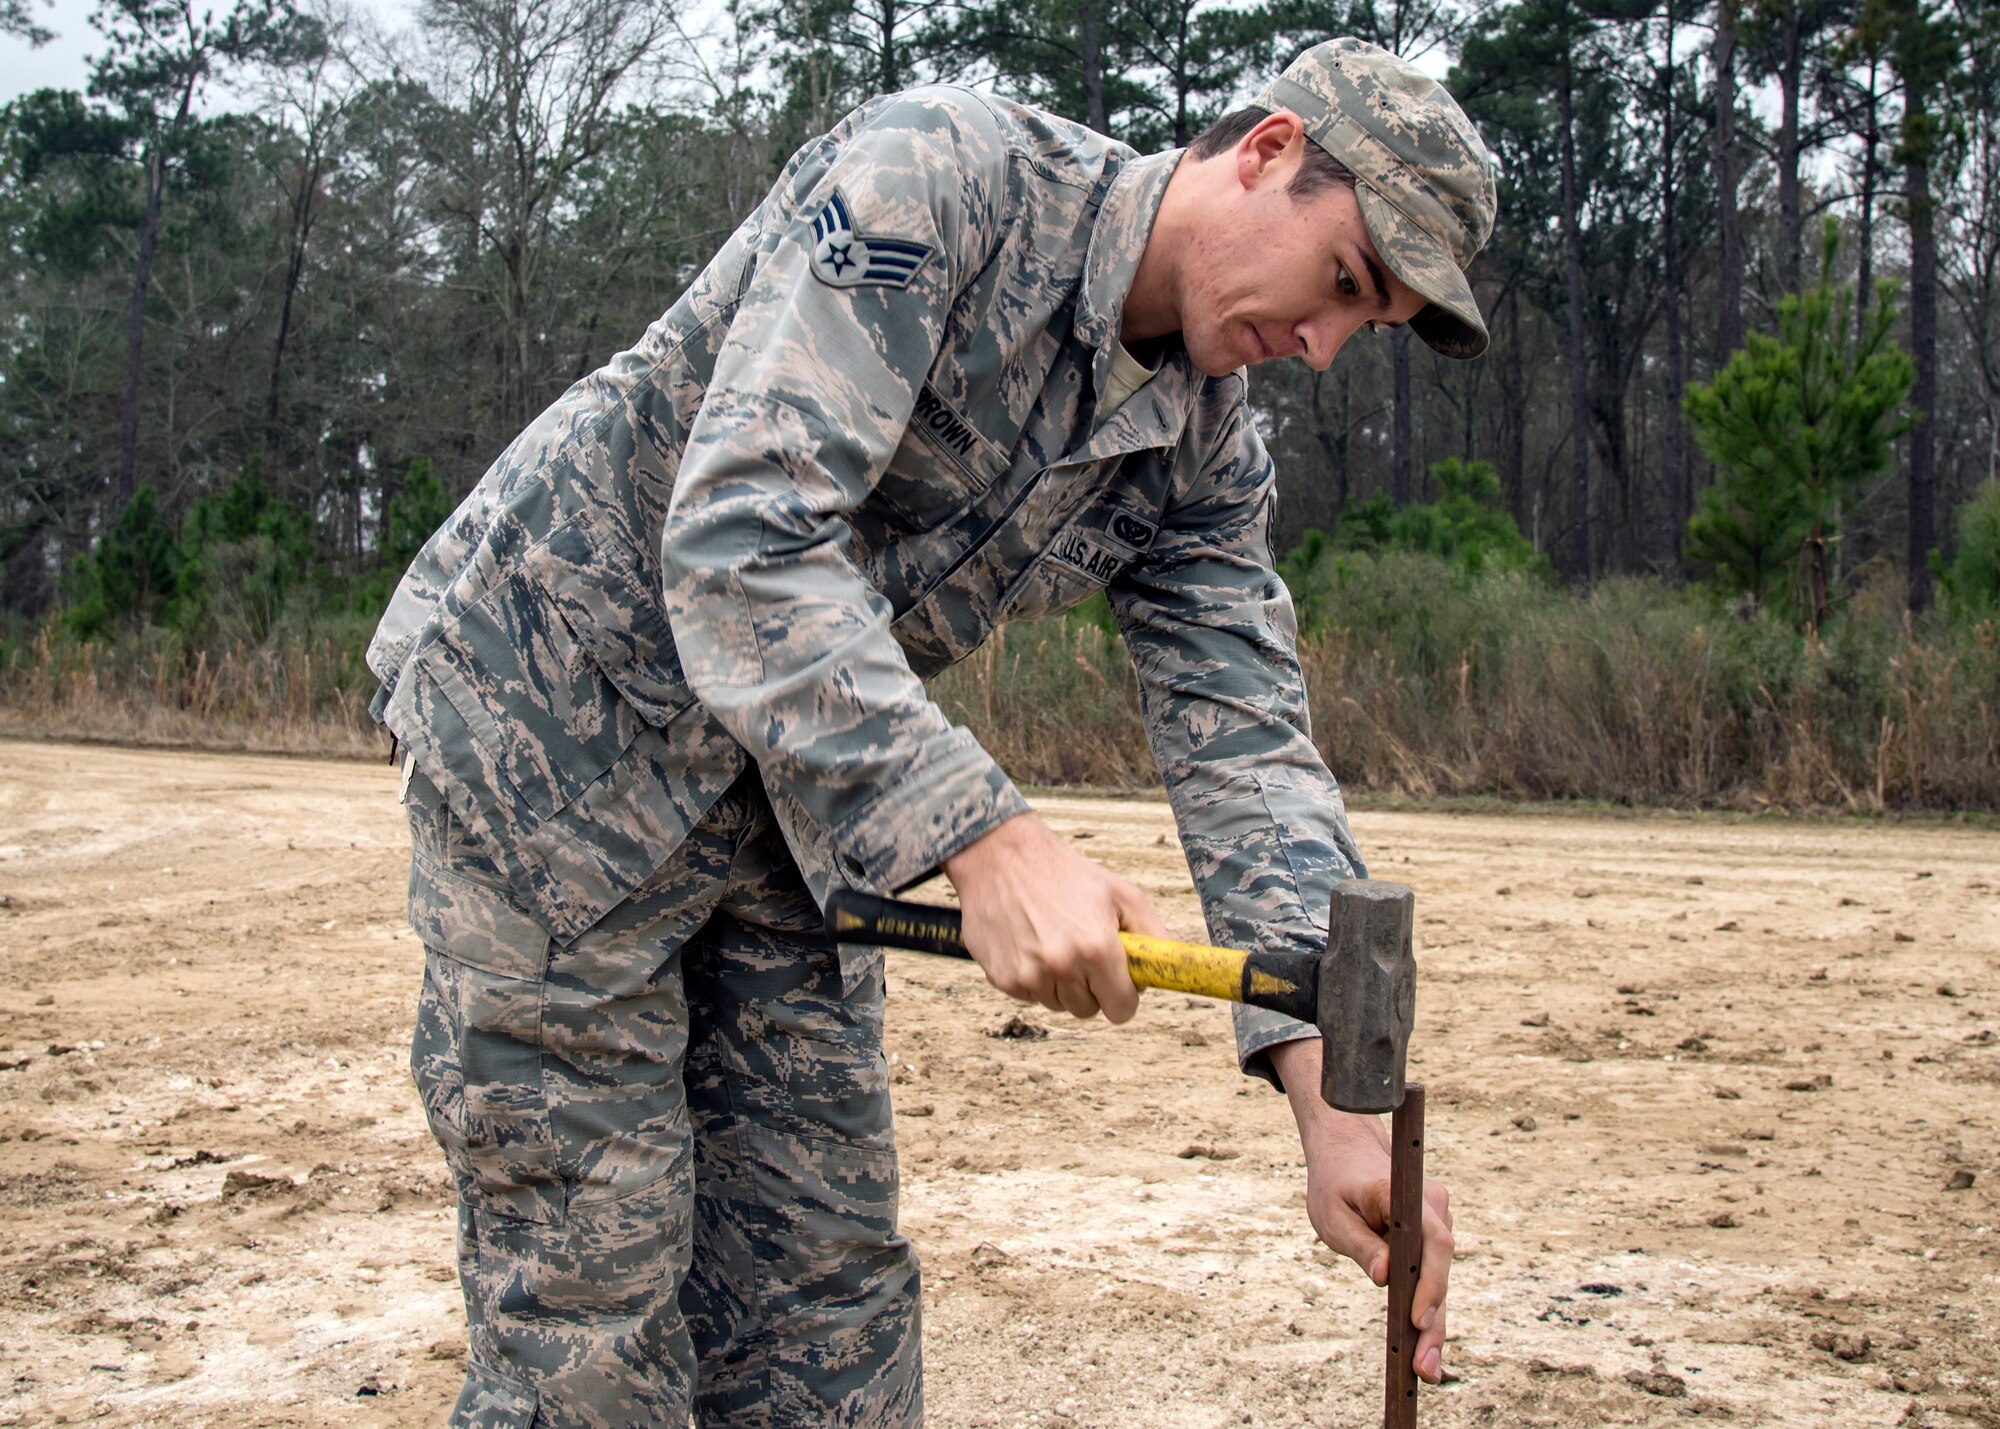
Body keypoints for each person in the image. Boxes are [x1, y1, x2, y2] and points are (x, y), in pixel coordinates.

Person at [368, 36, 1495, 1428]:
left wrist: (1326, 1081)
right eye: (1341, 282)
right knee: (590, 1339)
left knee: (822, 1325)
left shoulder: (1203, 442)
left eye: (1361, 326)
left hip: (788, 811)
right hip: (550, 737)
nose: (1322, 346)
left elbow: (1247, 738)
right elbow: (742, 535)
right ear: (1264, 153)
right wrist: (985, 833)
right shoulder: (943, 183)